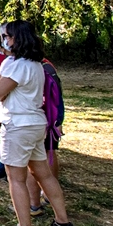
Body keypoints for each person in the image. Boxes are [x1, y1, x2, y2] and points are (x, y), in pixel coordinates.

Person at [0, 20, 79, 226]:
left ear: (17, 39)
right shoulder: (37, 64)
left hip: (17, 126)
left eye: (7, 37)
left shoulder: (15, 65)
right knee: (43, 174)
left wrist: (4, 67)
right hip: (37, 125)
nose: (4, 41)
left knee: (16, 179)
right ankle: (63, 223)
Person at [27, 58, 65, 216]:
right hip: (50, 119)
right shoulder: (48, 66)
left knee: (31, 165)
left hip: (37, 121)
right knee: (49, 155)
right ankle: (50, 203)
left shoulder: (29, 68)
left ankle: (33, 204)